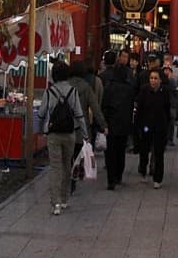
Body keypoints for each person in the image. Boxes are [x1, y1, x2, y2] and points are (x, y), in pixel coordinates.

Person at [38, 61, 87, 215]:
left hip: (53, 134)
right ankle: (65, 199)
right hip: (69, 134)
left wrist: (40, 129)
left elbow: (41, 113)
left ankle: (56, 204)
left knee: (55, 168)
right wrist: (85, 134)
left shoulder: (48, 92)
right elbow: (79, 114)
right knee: (67, 165)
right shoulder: (73, 91)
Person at [100, 49, 137, 190]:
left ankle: (111, 179)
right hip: (124, 123)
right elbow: (131, 105)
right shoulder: (129, 89)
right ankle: (119, 175)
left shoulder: (109, 88)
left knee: (110, 151)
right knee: (121, 150)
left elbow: (104, 105)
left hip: (111, 123)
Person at [68, 60, 107, 193]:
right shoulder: (86, 87)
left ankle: (67, 177)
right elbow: (95, 108)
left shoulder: (64, 86)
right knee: (77, 154)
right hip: (81, 126)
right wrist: (103, 125)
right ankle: (73, 179)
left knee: (67, 154)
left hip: (66, 125)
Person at [135, 68, 171, 187]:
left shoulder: (165, 91)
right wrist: (138, 125)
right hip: (146, 125)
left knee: (159, 152)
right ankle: (143, 170)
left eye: (156, 78)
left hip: (160, 125)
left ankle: (158, 178)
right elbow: (139, 109)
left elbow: (167, 109)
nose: (153, 81)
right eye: (151, 78)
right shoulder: (144, 90)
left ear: (160, 80)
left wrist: (167, 124)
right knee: (144, 150)